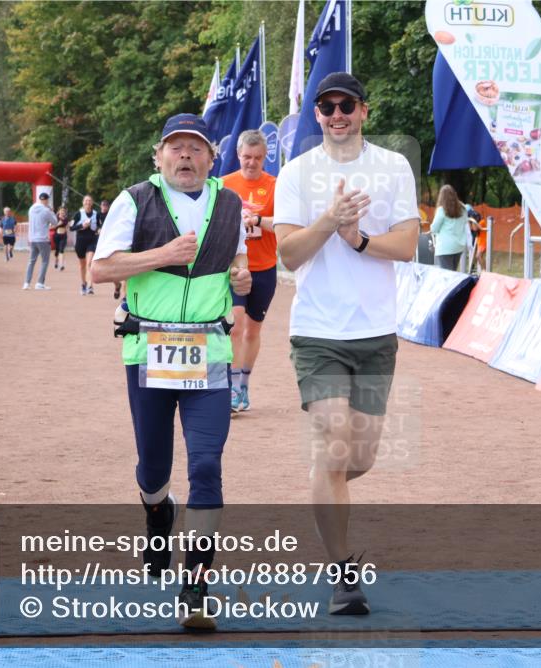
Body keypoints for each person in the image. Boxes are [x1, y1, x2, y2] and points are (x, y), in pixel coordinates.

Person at [90, 113, 251, 630]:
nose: (186, 156)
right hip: (148, 350)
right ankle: (157, 512)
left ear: (211, 157)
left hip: (209, 352)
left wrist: (242, 277)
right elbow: (101, 268)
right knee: (153, 471)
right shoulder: (133, 200)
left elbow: (239, 271)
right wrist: (164, 253)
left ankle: (196, 587)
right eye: (176, 148)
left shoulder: (229, 203)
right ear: (158, 156)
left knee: (207, 467)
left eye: (196, 148)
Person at [274, 72, 418, 615]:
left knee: (358, 458)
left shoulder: (393, 167)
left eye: (346, 105)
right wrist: (330, 220)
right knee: (335, 442)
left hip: (376, 333)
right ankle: (342, 575)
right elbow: (288, 254)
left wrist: (357, 239)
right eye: (327, 106)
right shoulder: (296, 172)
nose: (337, 114)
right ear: (316, 115)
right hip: (317, 332)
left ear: (363, 110)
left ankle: (323, 488)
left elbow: (406, 245)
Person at [221, 130, 279, 412]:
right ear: (238, 155)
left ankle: (243, 384)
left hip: (265, 267)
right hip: (234, 268)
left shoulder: (276, 185)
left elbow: (284, 223)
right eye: (246, 157)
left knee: (252, 331)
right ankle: (230, 387)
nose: (251, 163)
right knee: (236, 325)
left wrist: (256, 219)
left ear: (264, 157)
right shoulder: (224, 184)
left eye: (257, 158)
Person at [430, 185, 470, 271]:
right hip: (458, 246)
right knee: (453, 273)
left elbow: (434, 228)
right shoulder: (463, 209)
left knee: (447, 277)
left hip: (445, 248)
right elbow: (465, 223)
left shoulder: (442, 210)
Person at [24, 192, 55, 290]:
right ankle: (40, 283)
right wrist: (52, 211)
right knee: (45, 261)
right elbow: (55, 222)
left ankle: (26, 283)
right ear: (46, 200)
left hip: (32, 238)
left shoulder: (31, 208)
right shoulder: (46, 210)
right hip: (42, 239)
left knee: (31, 261)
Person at [71, 195, 100, 294]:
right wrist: (81, 225)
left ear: (92, 203)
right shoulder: (78, 214)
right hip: (80, 241)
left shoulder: (96, 214)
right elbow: (71, 228)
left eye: (89, 201)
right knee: (82, 265)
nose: (88, 202)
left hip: (92, 241)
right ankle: (83, 284)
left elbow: (100, 226)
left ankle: (90, 286)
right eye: (86, 200)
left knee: (90, 263)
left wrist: (99, 229)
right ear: (83, 202)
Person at [99, 198, 122, 299]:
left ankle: (125, 297)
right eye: (102, 205)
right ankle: (117, 286)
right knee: (113, 271)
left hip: (117, 244)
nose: (104, 207)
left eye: (105, 205)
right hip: (105, 246)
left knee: (127, 270)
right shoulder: (98, 216)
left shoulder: (114, 216)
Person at [53, 205, 69, 272]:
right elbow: (52, 226)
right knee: (57, 251)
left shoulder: (66, 219)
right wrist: (57, 224)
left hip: (63, 236)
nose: (62, 212)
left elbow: (67, 227)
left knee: (61, 250)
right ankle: (56, 262)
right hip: (56, 236)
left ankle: (61, 265)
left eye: (63, 211)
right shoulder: (55, 218)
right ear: (59, 211)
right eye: (61, 210)